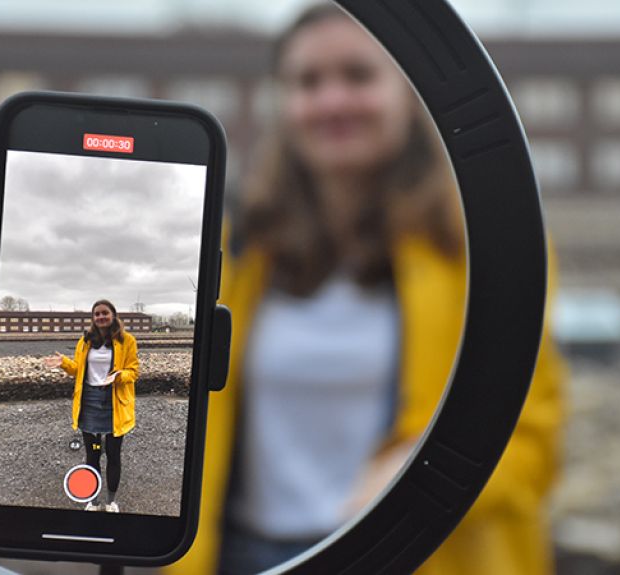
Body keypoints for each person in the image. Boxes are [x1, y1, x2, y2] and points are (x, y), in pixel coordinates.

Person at [167, 5, 567, 574]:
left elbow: (534, 444)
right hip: (245, 557)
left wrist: (424, 474)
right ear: (285, 102)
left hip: (414, 555)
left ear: (407, 93)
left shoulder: (482, 252)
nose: (333, 100)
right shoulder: (236, 250)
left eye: (357, 75)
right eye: (309, 81)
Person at [44, 299, 139, 513]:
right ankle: (93, 500)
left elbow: (133, 372)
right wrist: (64, 364)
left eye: (105, 313)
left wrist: (116, 377)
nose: (101, 317)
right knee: (93, 453)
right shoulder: (86, 341)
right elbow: (79, 369)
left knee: (113, 454)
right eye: (97, 314)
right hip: (90, 403)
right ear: (92, 318)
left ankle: (111, 500)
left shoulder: (127, 341)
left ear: (113, 315)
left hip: (114, 404)